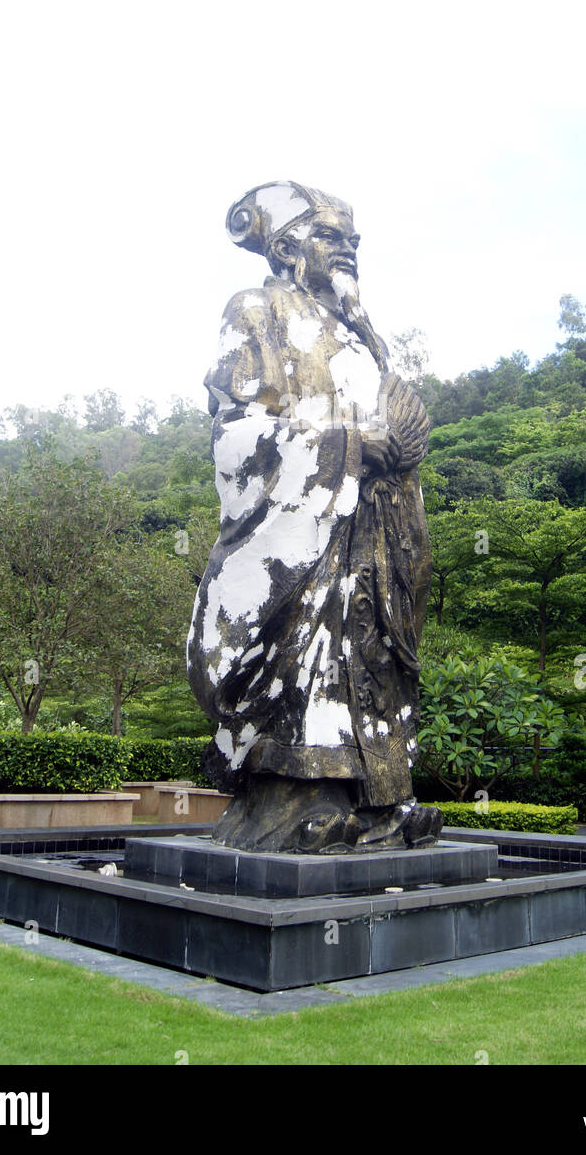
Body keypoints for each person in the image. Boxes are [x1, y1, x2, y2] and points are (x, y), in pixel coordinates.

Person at [187, 182, 441, 852]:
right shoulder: (257, 310)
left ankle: (380, 799)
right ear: (285, 248)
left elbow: (396, 429)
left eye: (353, 239)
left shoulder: (365, 338)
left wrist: (398, 452)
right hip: (308, 525)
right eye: (332, 237)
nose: (349, 249)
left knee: (374, 651)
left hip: (374, 530)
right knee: (313, 655)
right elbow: (237, 431)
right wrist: (349, 442)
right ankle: (305, 799)